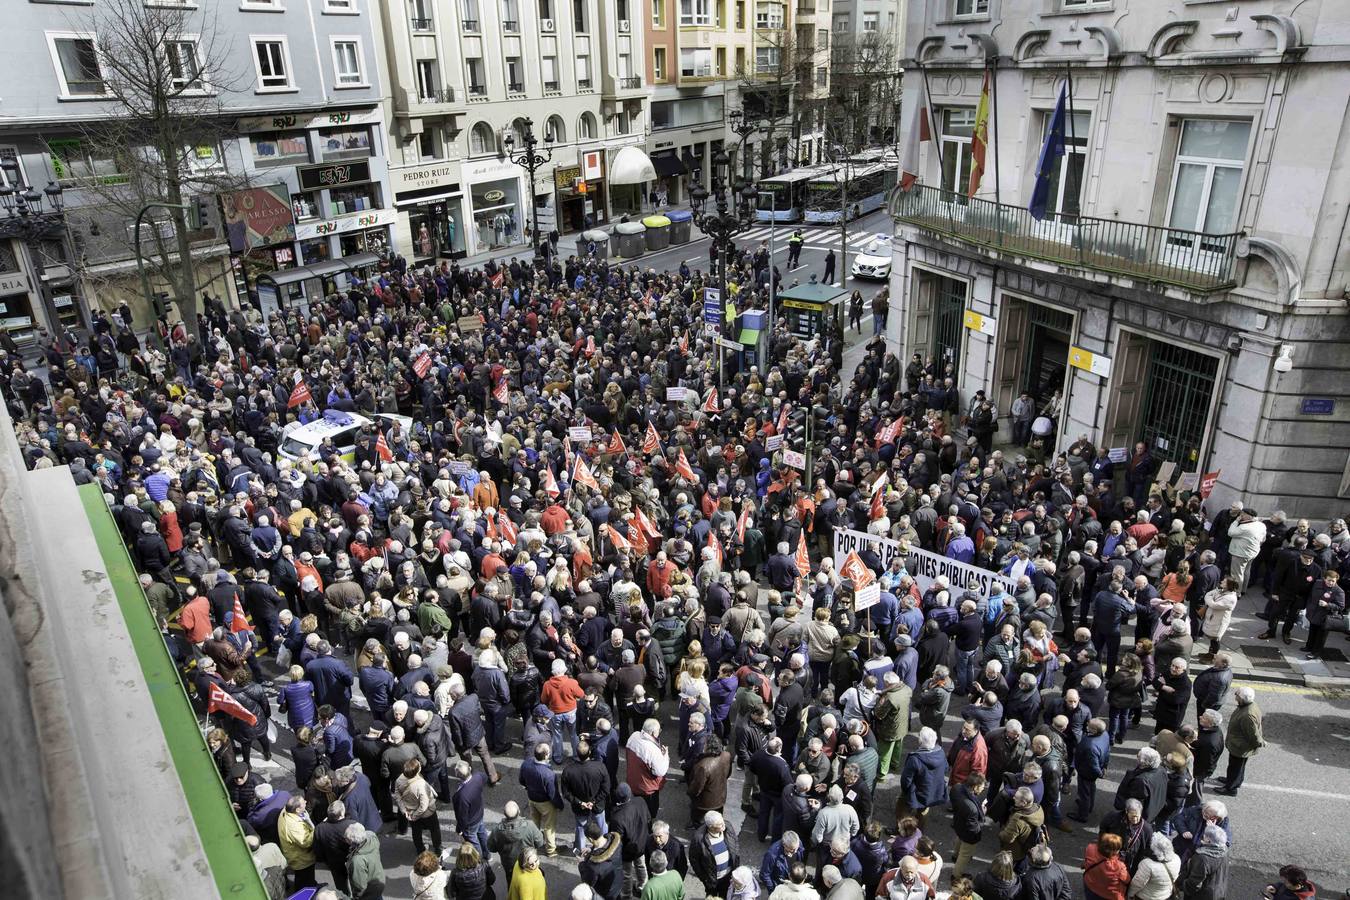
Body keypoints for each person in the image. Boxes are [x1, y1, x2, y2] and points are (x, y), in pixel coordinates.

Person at [1214, 686, 1264, 795]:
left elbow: (1253, 734)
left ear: (1241, 698)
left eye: (1237, 694)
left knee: (1235, 767)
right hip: (1239, 745)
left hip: (1241, 747)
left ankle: (1231, 788)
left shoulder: (1247, 715)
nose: (1235, 695)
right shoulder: (1248, 706)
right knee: (1236, 766)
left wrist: (1258, 743)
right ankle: (1234, 780)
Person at [691, 810, 741, 898]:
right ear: (711, 827)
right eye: (720, 825)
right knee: (712, 897)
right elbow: (694, 861)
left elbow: (735, 843)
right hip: (711, 880)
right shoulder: (698, 839)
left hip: (728, 876)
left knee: (726, 896)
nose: (724, 825)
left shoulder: (727, 825)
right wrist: (705, 879)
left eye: (722, 821)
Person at [1180, 825, 1230, 900]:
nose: (1203, 835)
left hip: (1202, 896)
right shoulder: (1224, 850)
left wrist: (1182, 885)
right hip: (1219, 892)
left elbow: (1194, 884)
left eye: (1205, 835)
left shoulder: (1202, 858)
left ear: (1209, 840)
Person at [1127, 834, 1181, 900]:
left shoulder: (1148, 864)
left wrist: (1130, 894)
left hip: (1147, 897)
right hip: (1166, 895)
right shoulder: (1176, 858)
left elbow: (1137, 884)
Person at [345, 822, 387, 900]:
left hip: (369, 892)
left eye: (347, 839)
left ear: (353, 842)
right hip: (379, 880)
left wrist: (357, 897)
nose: (345, 840)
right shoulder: (372, 837)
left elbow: (360, 886)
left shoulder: (357, 861)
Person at [1082, 833, 1130, 900]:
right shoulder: (1119, 866)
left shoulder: (1090, 848)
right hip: (1109, 895)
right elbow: (1127, 880)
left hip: (1090, 886)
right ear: (1114, 851)